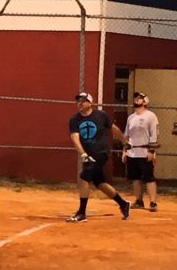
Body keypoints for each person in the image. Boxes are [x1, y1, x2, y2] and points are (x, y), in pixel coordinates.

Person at [67, 92, 131, 222]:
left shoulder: (100, 116)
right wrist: (83, 154)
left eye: (83, 101)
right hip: (88, 155)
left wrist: (125, 142)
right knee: (100, 183)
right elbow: (75, 138)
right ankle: (123, 204)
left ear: (90, 103)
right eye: (78, 101)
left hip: (101, 152)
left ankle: (81, 212)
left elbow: (114, 129)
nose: (80, 103)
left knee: (85, 177)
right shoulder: (74, 120)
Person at [122, 92, 159, 212]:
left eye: (140, 98)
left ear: (145, 101)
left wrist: (151, 151)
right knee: (135, 178)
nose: (137, 100)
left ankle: (153, 202)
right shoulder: (131, 117)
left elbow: (154, 135)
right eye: (136, 98)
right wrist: (125, 151)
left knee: (149, 178)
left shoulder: (151, 116)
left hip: (145, 151)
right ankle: (139, 201)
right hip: (133, 151)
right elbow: (127, 136)